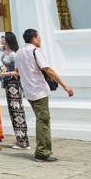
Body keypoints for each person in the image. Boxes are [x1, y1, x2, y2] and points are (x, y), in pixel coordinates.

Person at [15, 29, 73, 162]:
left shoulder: (19, 52)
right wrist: (65, 85)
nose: (40, 40)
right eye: (39, 37)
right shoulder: (35, 51)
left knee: (41, 118)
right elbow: (48, 69)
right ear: (34, 39)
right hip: (39, 90)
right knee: (43, 120)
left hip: (29, 90)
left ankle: (42, 150)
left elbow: (18, 70)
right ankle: (42, 152)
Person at [0, 31, 28, 151]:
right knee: (13, 112)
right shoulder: (5, 50)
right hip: (8, 84)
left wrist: (6, 73)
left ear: (8, 39)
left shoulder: (14, 54)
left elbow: (19, 71)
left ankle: (23, 141)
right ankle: (19, 139)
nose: (1, 39)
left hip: (14, 84)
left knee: (17, 111)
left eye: (3, 37)